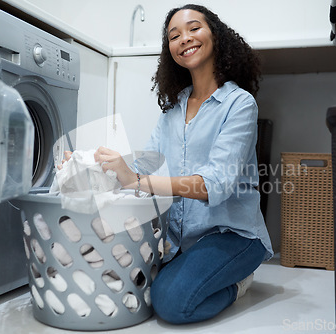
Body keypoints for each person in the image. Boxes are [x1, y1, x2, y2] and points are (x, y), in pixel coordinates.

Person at [93, 4, 273, 324]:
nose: (184, 39)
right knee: (127, 282)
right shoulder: (174, 108)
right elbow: (149, 162)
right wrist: (89, 164)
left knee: (171, 302)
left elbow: (212, 185)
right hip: (183, 238)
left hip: (234, 235)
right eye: (174, 35)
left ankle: (238, 284)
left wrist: (135, 180)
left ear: (214, 35)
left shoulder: (239, 104)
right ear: (171, 50)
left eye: (193, 28)